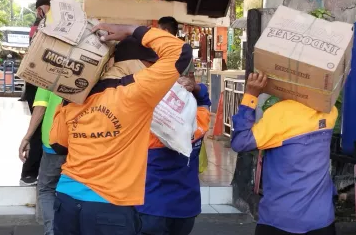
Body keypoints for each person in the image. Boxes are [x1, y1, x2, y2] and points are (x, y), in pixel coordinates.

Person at [49, 24, 192, 235]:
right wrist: (130, 30)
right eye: (151, 64)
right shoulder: (138, 91)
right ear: (137, 63)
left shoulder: (75, 96)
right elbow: (180, 52)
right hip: (109, 205)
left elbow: (58, 144)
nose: (154, 69)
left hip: (66, 199)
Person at [231, 73, 338, 235]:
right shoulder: (330, 112)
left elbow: (240, 142)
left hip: (281, 221)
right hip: (322, 220)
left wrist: (251, 95)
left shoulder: (280, 115)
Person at [137, 75, 212, 235]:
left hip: (151, 207)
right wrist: (197, 88)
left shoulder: (147, 130)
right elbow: (205, 101)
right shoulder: (200, 122)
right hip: (186, 209)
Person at [19, 87, 65, 235]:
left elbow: (40, 107)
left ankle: (52, 232)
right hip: (83, 141)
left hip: (54, 141)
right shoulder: (93, 69)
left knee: (46, 189)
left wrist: (27, 137)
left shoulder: (50, 70)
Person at [20, 0, 52, 186]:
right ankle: (29, 172)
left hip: (50, 85)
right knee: (39, 127)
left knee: (49, 127)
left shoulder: (52, 24)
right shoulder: (39, 26)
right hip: (38, 83)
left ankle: (40, 171)